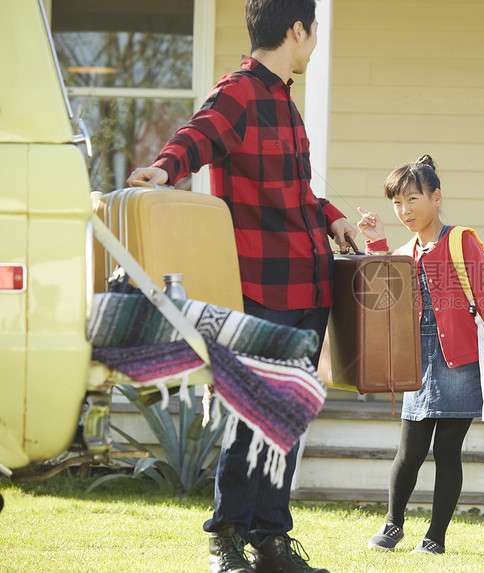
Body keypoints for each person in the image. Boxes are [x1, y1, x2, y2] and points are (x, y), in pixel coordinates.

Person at [126, 1, 357, 572]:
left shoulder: (285, 101)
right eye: (315, 33)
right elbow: (196, 135)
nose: (315, 45)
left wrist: (330, 214)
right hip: (259, 287)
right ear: (297, 29)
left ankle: (272, 542)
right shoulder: (239, 92)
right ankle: (225, 538)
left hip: (308, 282)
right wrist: (165, 168)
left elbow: (295, 192)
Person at [355, 155, 484, 555]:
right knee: (410, 450)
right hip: (418, 360)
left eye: (412, 199)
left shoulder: (460, 240)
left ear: (437, 197)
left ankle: (435, 538)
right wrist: (376, 240)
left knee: (447, 452)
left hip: (460, 360)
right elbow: (387, 292)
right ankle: (392, 526)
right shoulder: (407, 249)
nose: (404, 211)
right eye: (397, 203)